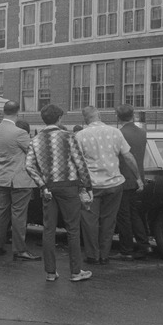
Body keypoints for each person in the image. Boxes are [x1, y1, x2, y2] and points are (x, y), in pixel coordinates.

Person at [25, 103, 94, 283]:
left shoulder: (35, 140)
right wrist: (87, 187)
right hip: (69, 186)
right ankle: (75, 271)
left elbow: (29, 166)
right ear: (59, 118)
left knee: (48, 229)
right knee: (73, 229)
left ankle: (50, 272)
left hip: (48, 187)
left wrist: (42, 184)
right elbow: (80, 163)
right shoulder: (68, 137)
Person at [76, 105, 142, 266]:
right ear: (99, 115)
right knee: (109, 221)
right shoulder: (115, 132)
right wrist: (138, 178)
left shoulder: (80, 136)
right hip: (114, 183)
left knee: (90, 221)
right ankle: (104, 255)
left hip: (91, 185)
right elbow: (128, 157)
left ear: (85, 119)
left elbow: (76, 162)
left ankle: (92, 255)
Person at [0, 101, 42, 262]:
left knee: (1, 211)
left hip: (3, 176)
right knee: (19, 214)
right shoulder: (19, 133)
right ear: (17, 112)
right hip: (19, 179)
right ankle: (19, 249)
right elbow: (34, 153)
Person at [114, 104, 151, 260]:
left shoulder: (119, 133)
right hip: (138, 178)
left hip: (123, 178)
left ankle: (126, 249)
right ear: (133, 115)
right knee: (135, 214)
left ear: (117, 116)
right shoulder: (142, 133)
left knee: (124, 216)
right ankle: (144, 244)